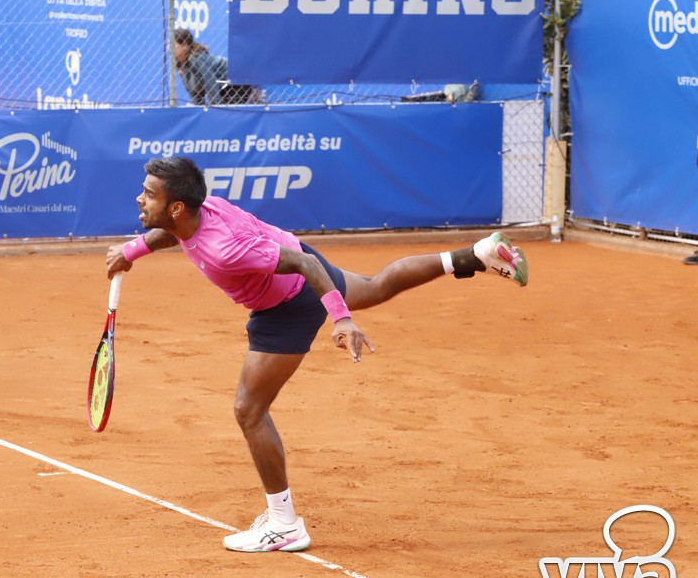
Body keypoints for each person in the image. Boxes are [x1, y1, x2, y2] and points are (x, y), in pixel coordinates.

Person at [104, 156, 529, 553]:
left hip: (289, 301)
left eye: (149, 193)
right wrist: (132, 249)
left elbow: (301, 267)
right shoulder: (201, 209)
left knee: (249, 410)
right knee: (377, 286)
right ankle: (475, 255)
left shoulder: (224, 248)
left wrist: (340, 319)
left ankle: (284, 524)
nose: (140, 198)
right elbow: (175, 231)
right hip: (303, 259)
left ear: (177, 206)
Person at [173, 28, 263, 106]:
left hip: (237, 78)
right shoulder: (180, 63)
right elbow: (193, 92)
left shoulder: (196, 58)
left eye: (173, 44)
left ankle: (257, 97)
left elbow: (210, 83)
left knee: (227, 112)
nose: (168, 48)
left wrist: (215, 109)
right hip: (224, 86)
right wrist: (199, 109)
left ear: (184, 46)